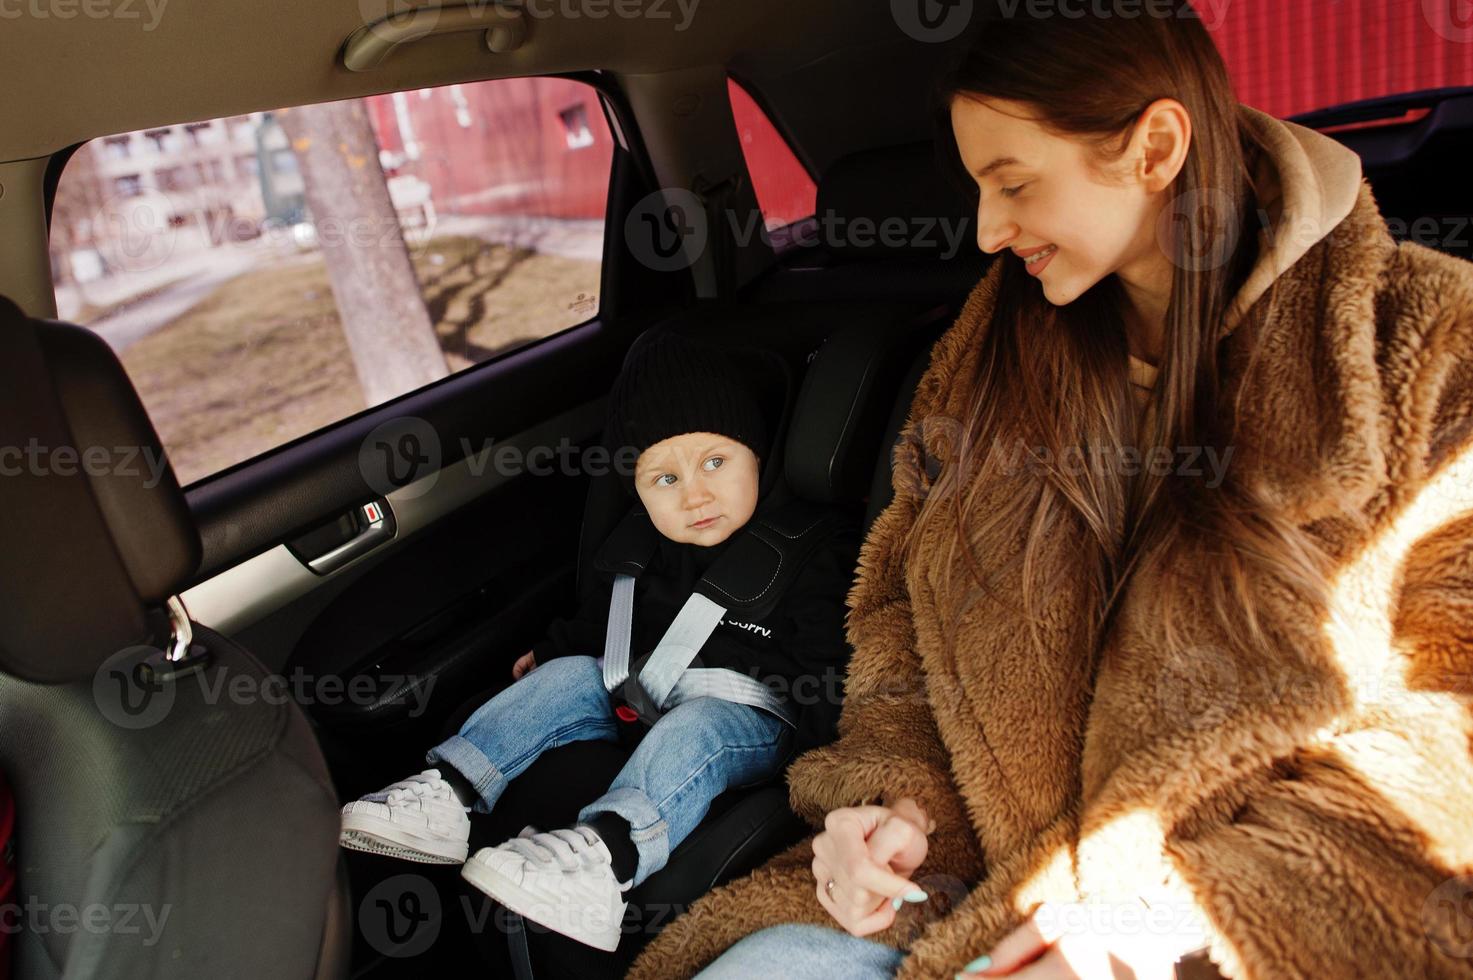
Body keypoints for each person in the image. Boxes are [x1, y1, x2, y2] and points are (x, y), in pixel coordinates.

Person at [624, 7, 1473, 980]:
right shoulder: (981, 361)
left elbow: (1449, 750)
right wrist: (901, 810)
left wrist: (1175, 923)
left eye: (1015, 183)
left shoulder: (1433, 353)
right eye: (978, 186)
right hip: (957, 899)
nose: (986, 229)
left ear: (1154, 148)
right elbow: (900, 624)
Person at [339, 332, 860, 952]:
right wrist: (554, 657)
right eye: (663, 478)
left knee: (696, 728)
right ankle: (450, 794)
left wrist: (830, 751)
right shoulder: (638, 544)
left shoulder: (812, 551)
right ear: (636, 488)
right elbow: (603, 621)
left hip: (747, 716)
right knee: (561, 678)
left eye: (715, 463)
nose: (693, 495)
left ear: (758, 454)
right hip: (636, 689)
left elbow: (832, 666)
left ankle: (606, 856)